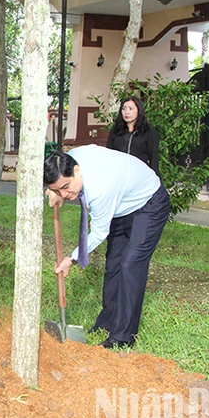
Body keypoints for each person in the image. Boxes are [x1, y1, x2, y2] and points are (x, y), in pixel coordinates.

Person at [44, 145, 171, 349]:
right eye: (58, 189)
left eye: (66, 187)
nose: (65, 194)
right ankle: (107, 322)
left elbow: (99, 233)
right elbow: (59, 184)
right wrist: (54, 192)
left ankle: (122, 337)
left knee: (130, 265)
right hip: (122, 207)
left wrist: (71, 259)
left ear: (77, 171)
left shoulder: (100, 188)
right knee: (113, 264)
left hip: (149, 204)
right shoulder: (68, 160)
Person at [105, 96, 160, 175]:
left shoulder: (149, 132)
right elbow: (109, 155)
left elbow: (154, 160)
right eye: (124, 109)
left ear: (139, 110)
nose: (127, 112)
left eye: (131, 109)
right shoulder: (116, 131)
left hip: (139, 175)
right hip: (119, 175)